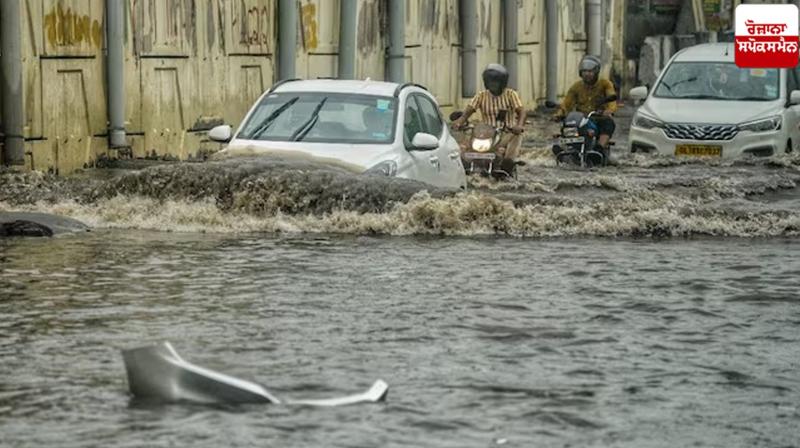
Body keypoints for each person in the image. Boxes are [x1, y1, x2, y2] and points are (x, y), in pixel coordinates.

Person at [452, 63, 526, 162]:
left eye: (496, 82)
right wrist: (459, 121)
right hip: (487, 133)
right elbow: (468, 111)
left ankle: (507, 167)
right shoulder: (481, 96)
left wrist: (519, 125)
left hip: (507, 133)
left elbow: (521, 111)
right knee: (465, 152)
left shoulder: (511, 95)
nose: (493, 84)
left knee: (508, 158)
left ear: (502, 83)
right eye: (490, 81)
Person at [553, 55, 617, 154]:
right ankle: (565, 147)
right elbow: (566, 104)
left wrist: (609, 111)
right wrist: (559, 114)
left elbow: (611, 99)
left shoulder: (605, 84)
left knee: (608, 123)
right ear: (580, 73)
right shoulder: (576, 87)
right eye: (585, 71)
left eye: (590, 71)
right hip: (581, 118)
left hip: (598, 116)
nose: (587, 74)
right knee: (568, 125)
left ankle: (599, 147)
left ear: (596, 72)